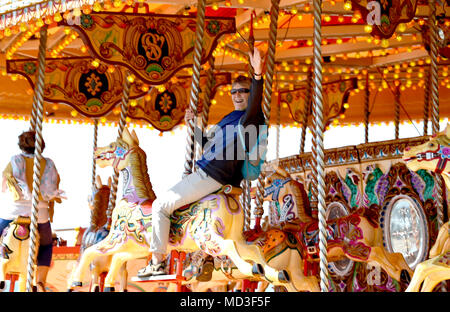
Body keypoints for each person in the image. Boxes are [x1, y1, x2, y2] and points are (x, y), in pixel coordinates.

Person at [137, 47, 265, 277]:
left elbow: (256, 103)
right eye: (234, 91)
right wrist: (194, 127)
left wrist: (257, 75)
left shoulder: (251, 119)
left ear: (250, 95)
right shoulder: (229, 118)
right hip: (210, 170)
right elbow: (207, 145)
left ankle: (156, 261)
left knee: (159, 206)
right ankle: (198, 255)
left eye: (243, 91)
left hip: (213, 174)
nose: (237, 95)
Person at [0, 130, 65, 291]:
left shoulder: (15, 160)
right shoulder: (48, 163)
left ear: (21, 145)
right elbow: (54, 184)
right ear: (41, 146)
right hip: (39, 213)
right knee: (46, 245)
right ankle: (40, 281)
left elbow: (5, 182)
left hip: (13, 211)